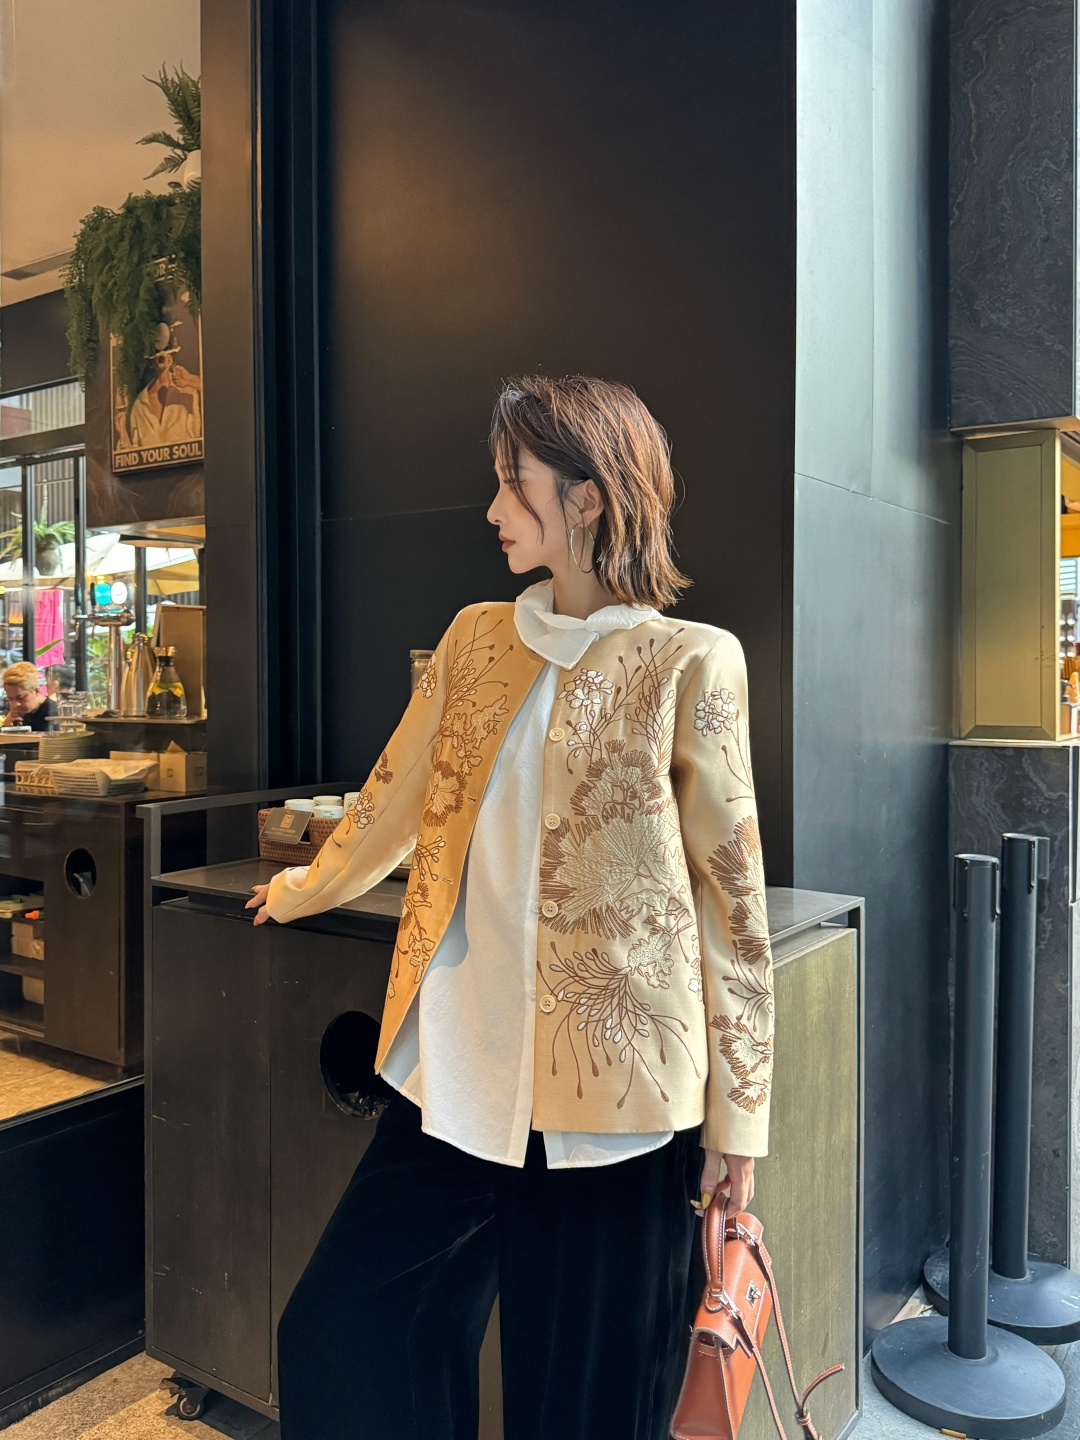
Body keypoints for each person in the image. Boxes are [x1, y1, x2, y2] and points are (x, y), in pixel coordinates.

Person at [247, 376, 775, 1440]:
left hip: (618, 1110)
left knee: (581, 1409)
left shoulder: (691, 661)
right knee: (345, 1330)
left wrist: (741, 1120)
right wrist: (304, 888)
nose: (492, 509)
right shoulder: (476, 639)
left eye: (512, 483)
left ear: (588, 497)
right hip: (455, 1079)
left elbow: (732, 903)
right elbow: (394, 794)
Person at [2, 662, 57, 731]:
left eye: (20, 698)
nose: (15, 704)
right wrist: (5, 727)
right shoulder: (16, 715)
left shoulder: (53, 714)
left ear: (36, 691)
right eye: (10, 699)